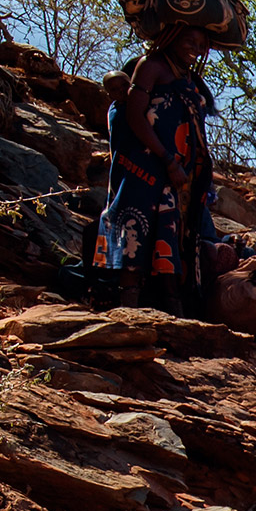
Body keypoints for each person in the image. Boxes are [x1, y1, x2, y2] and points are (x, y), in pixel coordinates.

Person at [96, 25, 220, 315]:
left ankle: (170, 313)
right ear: (171, 36)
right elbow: (134, 116)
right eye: (190, 38)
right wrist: (167, 159)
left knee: (172, 236)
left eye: (202, 43)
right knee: (133, 226)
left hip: (178, 177)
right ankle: (127, 312)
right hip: (145, 166)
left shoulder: (188, 78)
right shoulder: (151, 66)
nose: (196, 48)